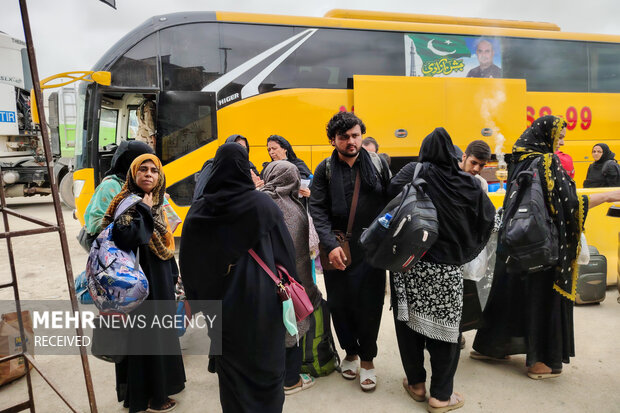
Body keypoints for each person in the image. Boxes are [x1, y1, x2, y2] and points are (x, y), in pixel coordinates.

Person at [472, 115, 620, 380]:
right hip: (542, 247)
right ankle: (540, 362)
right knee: (542, 298)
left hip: (516, 240)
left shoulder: (520, 158)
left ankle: (492, 347)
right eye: (558, 137)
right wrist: (610, 195)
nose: (561, 142)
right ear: (545, 137)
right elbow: (568, 204)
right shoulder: (547, 162)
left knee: (510, 292)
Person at [180, 143, 299, 412]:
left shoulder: (199, 212)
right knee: (267, 372)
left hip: (223, 313)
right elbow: (286, 258)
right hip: (263, 308)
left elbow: (189, 266)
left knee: (232, 377)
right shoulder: (262, 206)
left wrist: (200, 303)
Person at [388, 127, 495, 413]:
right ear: (454, 154)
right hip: (446, 271)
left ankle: (416, 385)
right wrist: (464, 247)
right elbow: (487, 220)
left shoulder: (413, 172)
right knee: (446, 332)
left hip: (408, 267)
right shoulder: (469, 184)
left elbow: (387, 195)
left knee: (408, 326)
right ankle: (440, 396)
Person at [309, 111, 390, 392]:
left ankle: (367, 360)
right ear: (333, 140)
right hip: (338, 249)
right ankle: (350, 352)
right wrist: (329, 246)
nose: (351, 141)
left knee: (370, 305)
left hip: (371, 249)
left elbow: (391, 200)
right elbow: (316, 208)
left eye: (356, 135)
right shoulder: (324, 170)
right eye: (344, 137)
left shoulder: (378, 165)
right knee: (341, 304)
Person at [102, 153, 185, 413]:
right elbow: (126, 237)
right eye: (143, 170)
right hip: (137, 282)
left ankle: (158, 391)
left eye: (154, 171)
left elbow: (166, 241)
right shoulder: (126, 202)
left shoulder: (158, 201)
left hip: (158, 278)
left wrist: (173, 273)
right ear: (133, 174)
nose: (149, 174)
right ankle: (149, 398)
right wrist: (145, 211)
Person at [260, 160, 324, 395]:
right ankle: (291, 380)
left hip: (264, 280)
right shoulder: (294, 207)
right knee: (294, 326)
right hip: (292, 280)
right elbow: (307, 249)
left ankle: (271, 375)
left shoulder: (259, 200)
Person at [83, 140, 154, 241]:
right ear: (131, 163)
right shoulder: (110, 187)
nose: (148, 174)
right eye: (143, 168)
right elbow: (95, 224)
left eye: (153, 169)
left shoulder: (149, 187)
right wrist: (140, 212)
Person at [192, 134, 262, 201]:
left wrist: (258, 188)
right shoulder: (212, 166)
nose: (241, 150)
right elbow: (200, 196)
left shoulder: (249, 168)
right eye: (237, 146)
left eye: (244, 148)